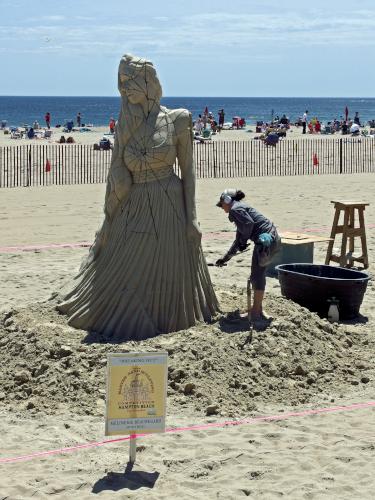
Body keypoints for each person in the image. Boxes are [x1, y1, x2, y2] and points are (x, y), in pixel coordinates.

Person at [58, 54, 218, 341]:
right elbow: (117, 174)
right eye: (121, 83)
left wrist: (192, 219)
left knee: (166, 269)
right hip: (133, 205)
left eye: (130, 80)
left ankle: (167, 316)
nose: (125, 88)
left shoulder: (178, 119)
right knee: (120, 266)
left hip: (168, 204)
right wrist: (110, 214)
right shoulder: (126, 126)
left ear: (149, 82)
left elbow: (189, 172)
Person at [215, 189, 280, 329]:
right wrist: (225, 258)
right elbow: (239, 238)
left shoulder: (236, 209)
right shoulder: (240, 213)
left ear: (227, 200)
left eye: (222, 204)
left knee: (257, 276)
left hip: (265, 242)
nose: (222, 208)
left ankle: (256, 311)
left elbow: (248, 225)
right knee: (257, 275)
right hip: (270, 240)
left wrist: (243, 240)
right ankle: (258, 309)